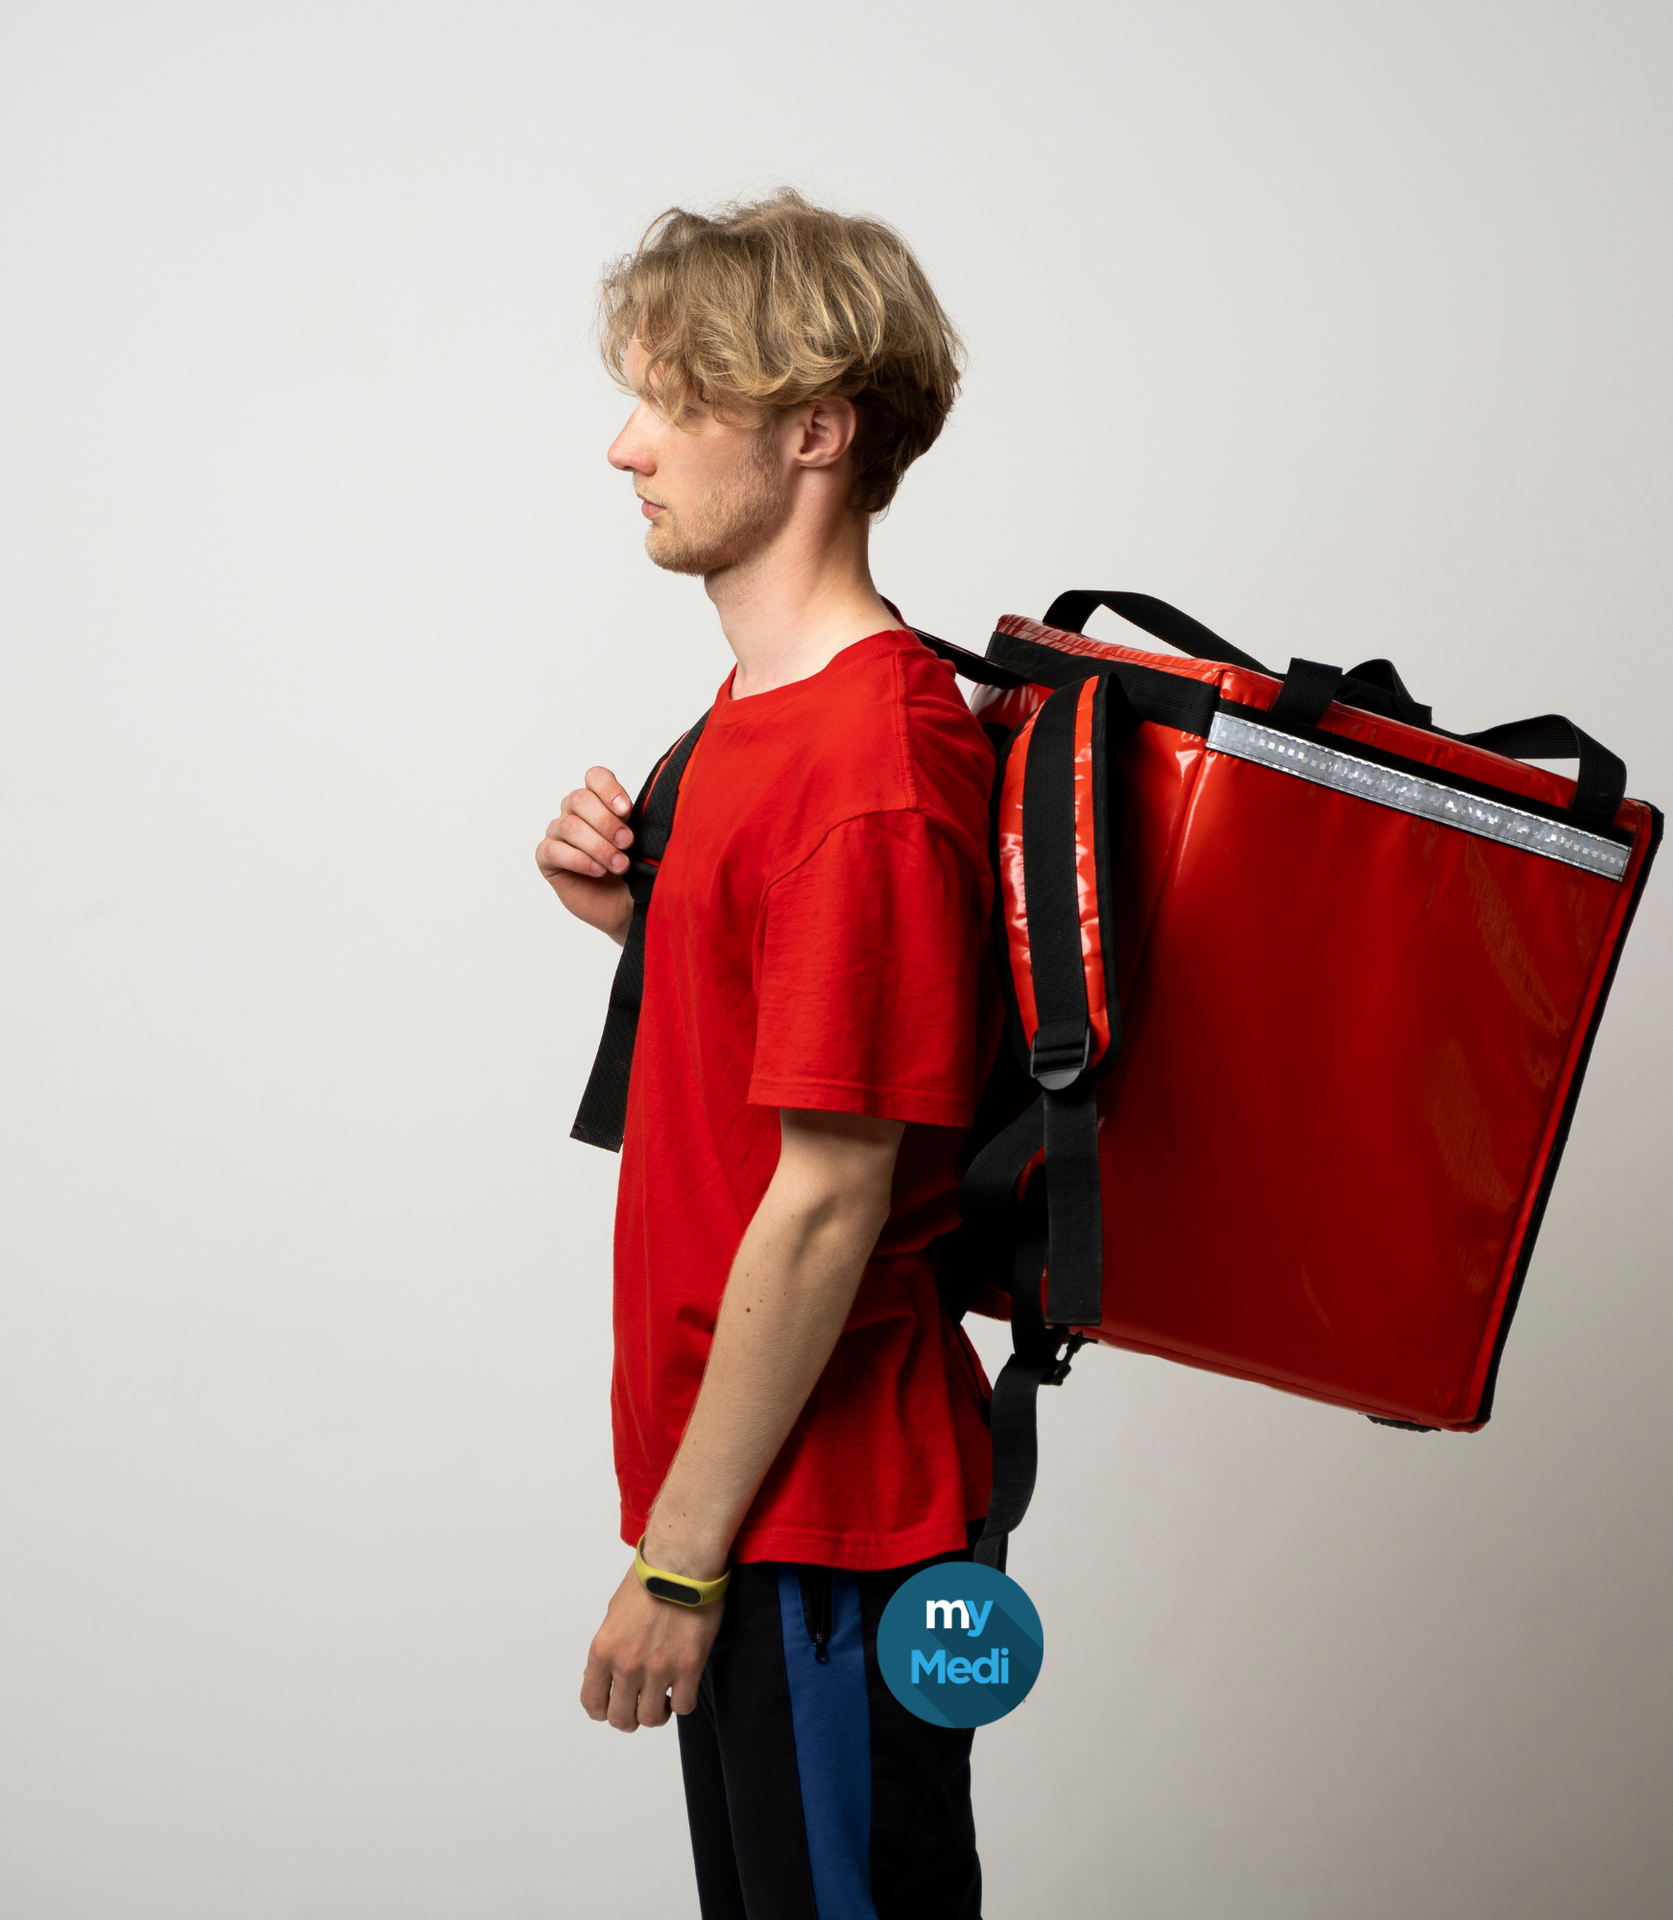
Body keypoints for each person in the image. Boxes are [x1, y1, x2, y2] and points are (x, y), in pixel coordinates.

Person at [534, 191, 996, 1920]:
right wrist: (642, 927)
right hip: (758, 1508)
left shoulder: (867, 767)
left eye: (674, 400)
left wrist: (678, 1562)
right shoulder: (749, 724)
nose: (625, 446)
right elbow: (796, 1046)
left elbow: (830, 1201)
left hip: (828, 1532)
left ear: (816, 432)